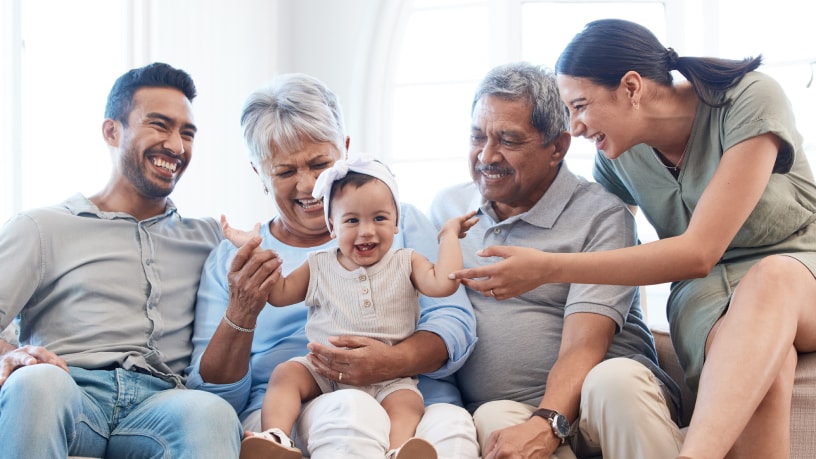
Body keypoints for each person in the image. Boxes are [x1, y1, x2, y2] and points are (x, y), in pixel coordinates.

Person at [451, 19, 816, 459]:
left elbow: (700, 251)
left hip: (799, 276)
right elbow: (606, 240)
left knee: (771, 276)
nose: (576, 128)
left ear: (631, 87)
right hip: (705, 304)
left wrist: (548, 266)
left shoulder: (749, 99)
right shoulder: (616, 160)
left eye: (581, 106)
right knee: (763, 367)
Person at [185, 73, 481, 459]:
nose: (308, 186)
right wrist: (243, 309)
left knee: (453, 428)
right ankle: (276, 438)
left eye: (319, 163)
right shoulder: (235, 261)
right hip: (303, 406)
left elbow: (452, 321)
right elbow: (213, 395)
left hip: (412, 395)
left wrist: (388, 362)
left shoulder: (398, 222)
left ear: (344, 149)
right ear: (259, 172)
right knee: (350, 413)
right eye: (285, 171)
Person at [430, 61, 684, 459]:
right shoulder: (447, 209)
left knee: (614, 382)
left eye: (509, 141)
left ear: (558, 148)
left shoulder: (602, 215)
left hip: (601, 402)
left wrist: (547, 422)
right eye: (477, 136)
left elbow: (585, 343)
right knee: (494, 419)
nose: (487, 155)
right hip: (509, 405)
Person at [0, 62, 243, 458]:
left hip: (164, 406)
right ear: (112, 131)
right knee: (34, 384)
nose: (176, 146)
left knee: (212, 413)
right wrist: (10, 355)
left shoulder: (211, 240)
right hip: (69, 389)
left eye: (187, 133)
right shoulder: (40, 227)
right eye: (160, 125)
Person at [234, 156, 478, 459]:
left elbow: (445, 284)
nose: (366, 231)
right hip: (324, 370)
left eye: (379, 219)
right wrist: (253, 251)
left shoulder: (408, 261)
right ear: (331, 225)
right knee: (286, 374)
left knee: (407, 405)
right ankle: (276, 438)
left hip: (391, 377)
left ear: (396, 221)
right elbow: (278, 294)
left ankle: (398, 450)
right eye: (352, 220)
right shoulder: (317, 266)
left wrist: (449, 237)